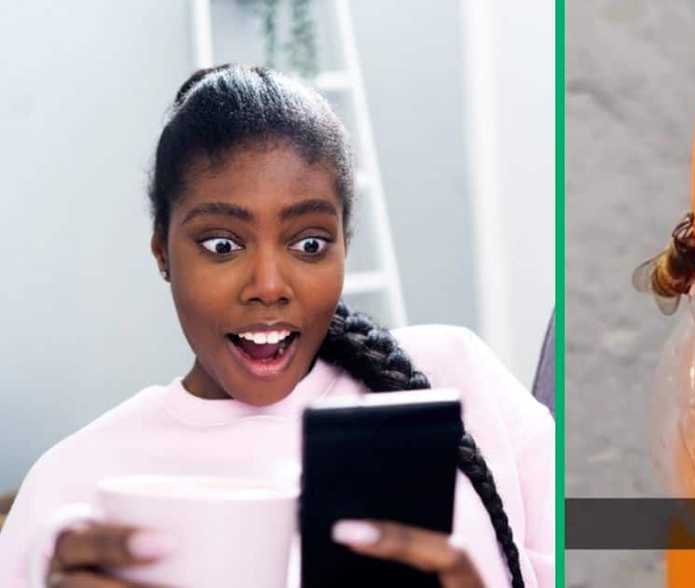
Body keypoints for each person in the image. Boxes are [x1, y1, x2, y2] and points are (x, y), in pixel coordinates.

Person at [0, 64, 554, 587]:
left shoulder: (454, 375)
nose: (268, 284)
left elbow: (623, 525)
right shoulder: (70, 488)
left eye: (309, 244)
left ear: (344, 247)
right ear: (161, 252)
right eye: (222, 245)